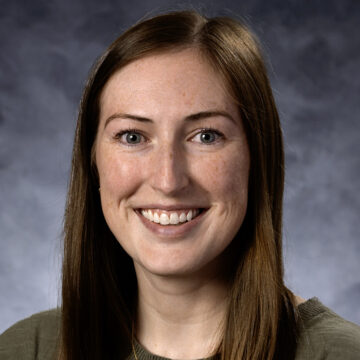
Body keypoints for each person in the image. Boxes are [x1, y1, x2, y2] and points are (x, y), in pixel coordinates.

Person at [1, 9, 359, 360]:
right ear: (92, 160)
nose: (168, 180)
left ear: (256, 158)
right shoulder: (27, 349)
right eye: (132, 136)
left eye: (205, 136)